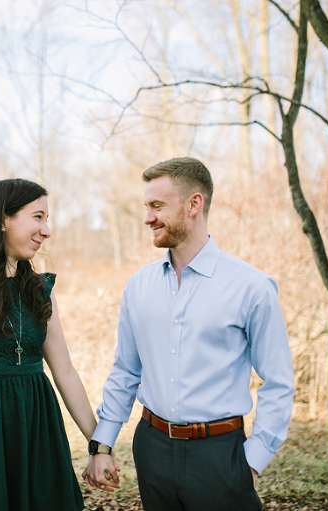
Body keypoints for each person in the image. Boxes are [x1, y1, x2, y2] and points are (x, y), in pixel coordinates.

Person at [83, 157, 295, 510]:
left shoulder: (251, 287)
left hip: (220, 457)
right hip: (151, 449)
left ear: (194, 204)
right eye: (146, 206)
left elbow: (279, 382)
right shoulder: (139, 286)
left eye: (156, 206)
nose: (147, 217)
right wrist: (102, 445)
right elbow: (125, 370)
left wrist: (252, 463)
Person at [0, 178, 114, 511]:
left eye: (47, 219)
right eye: (38, 217)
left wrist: (99, 447)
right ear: (2, 219)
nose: (47, 230)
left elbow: (65, 371)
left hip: (38, 429)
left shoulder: (40, 290)